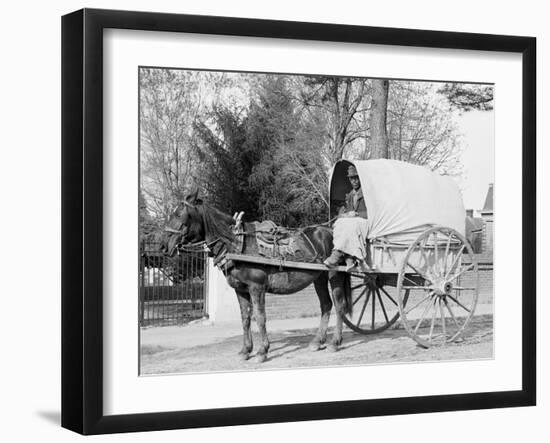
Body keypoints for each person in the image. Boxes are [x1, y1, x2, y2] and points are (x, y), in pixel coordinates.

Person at [324, 165, 369, 268]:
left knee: (353, 224)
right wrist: (344, 215)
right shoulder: (350, 195)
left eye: (357, 178)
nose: (355, 181)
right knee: (339, 223)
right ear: (349, 179)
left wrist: (356, 214)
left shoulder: (367, 193)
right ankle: (347, 256)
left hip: (365, 221)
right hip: (354, 222)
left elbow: (372, 212)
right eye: (352, 178)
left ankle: (341, 254)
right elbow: (349, 212)